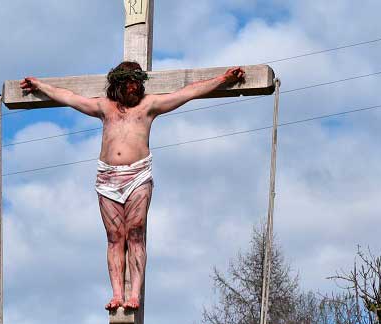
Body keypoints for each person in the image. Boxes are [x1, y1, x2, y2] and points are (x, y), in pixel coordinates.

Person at [20, 62, 245, 311]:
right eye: (129, 84)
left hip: (138, 174)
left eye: (137, 84)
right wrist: (40, 85)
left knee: (136, 233)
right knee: (115, 238)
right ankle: (117, 294)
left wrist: (223, 79)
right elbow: (69, 97)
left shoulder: (148, 106)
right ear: (118, 84)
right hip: (107, 178)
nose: (134, 88)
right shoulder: (104, 107)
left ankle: (134, 294)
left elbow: (188, 92)